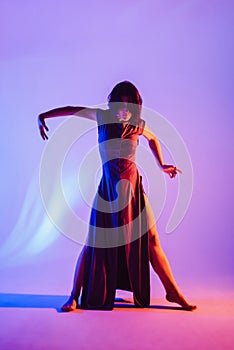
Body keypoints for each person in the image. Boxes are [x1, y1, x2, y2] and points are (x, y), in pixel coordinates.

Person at [38, 81, 196, 311]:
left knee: (152, 239)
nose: (124, 111)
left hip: (134, 190)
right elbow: (72, 109)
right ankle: (73, 295)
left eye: (129, 106)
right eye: (120, 106)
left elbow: (153, 139)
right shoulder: (102, 117)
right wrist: (44, 115)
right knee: (93, 243)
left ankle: (173, 292)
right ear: (112, 105)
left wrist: (161, 165)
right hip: (109, 191)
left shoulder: (138, 125)